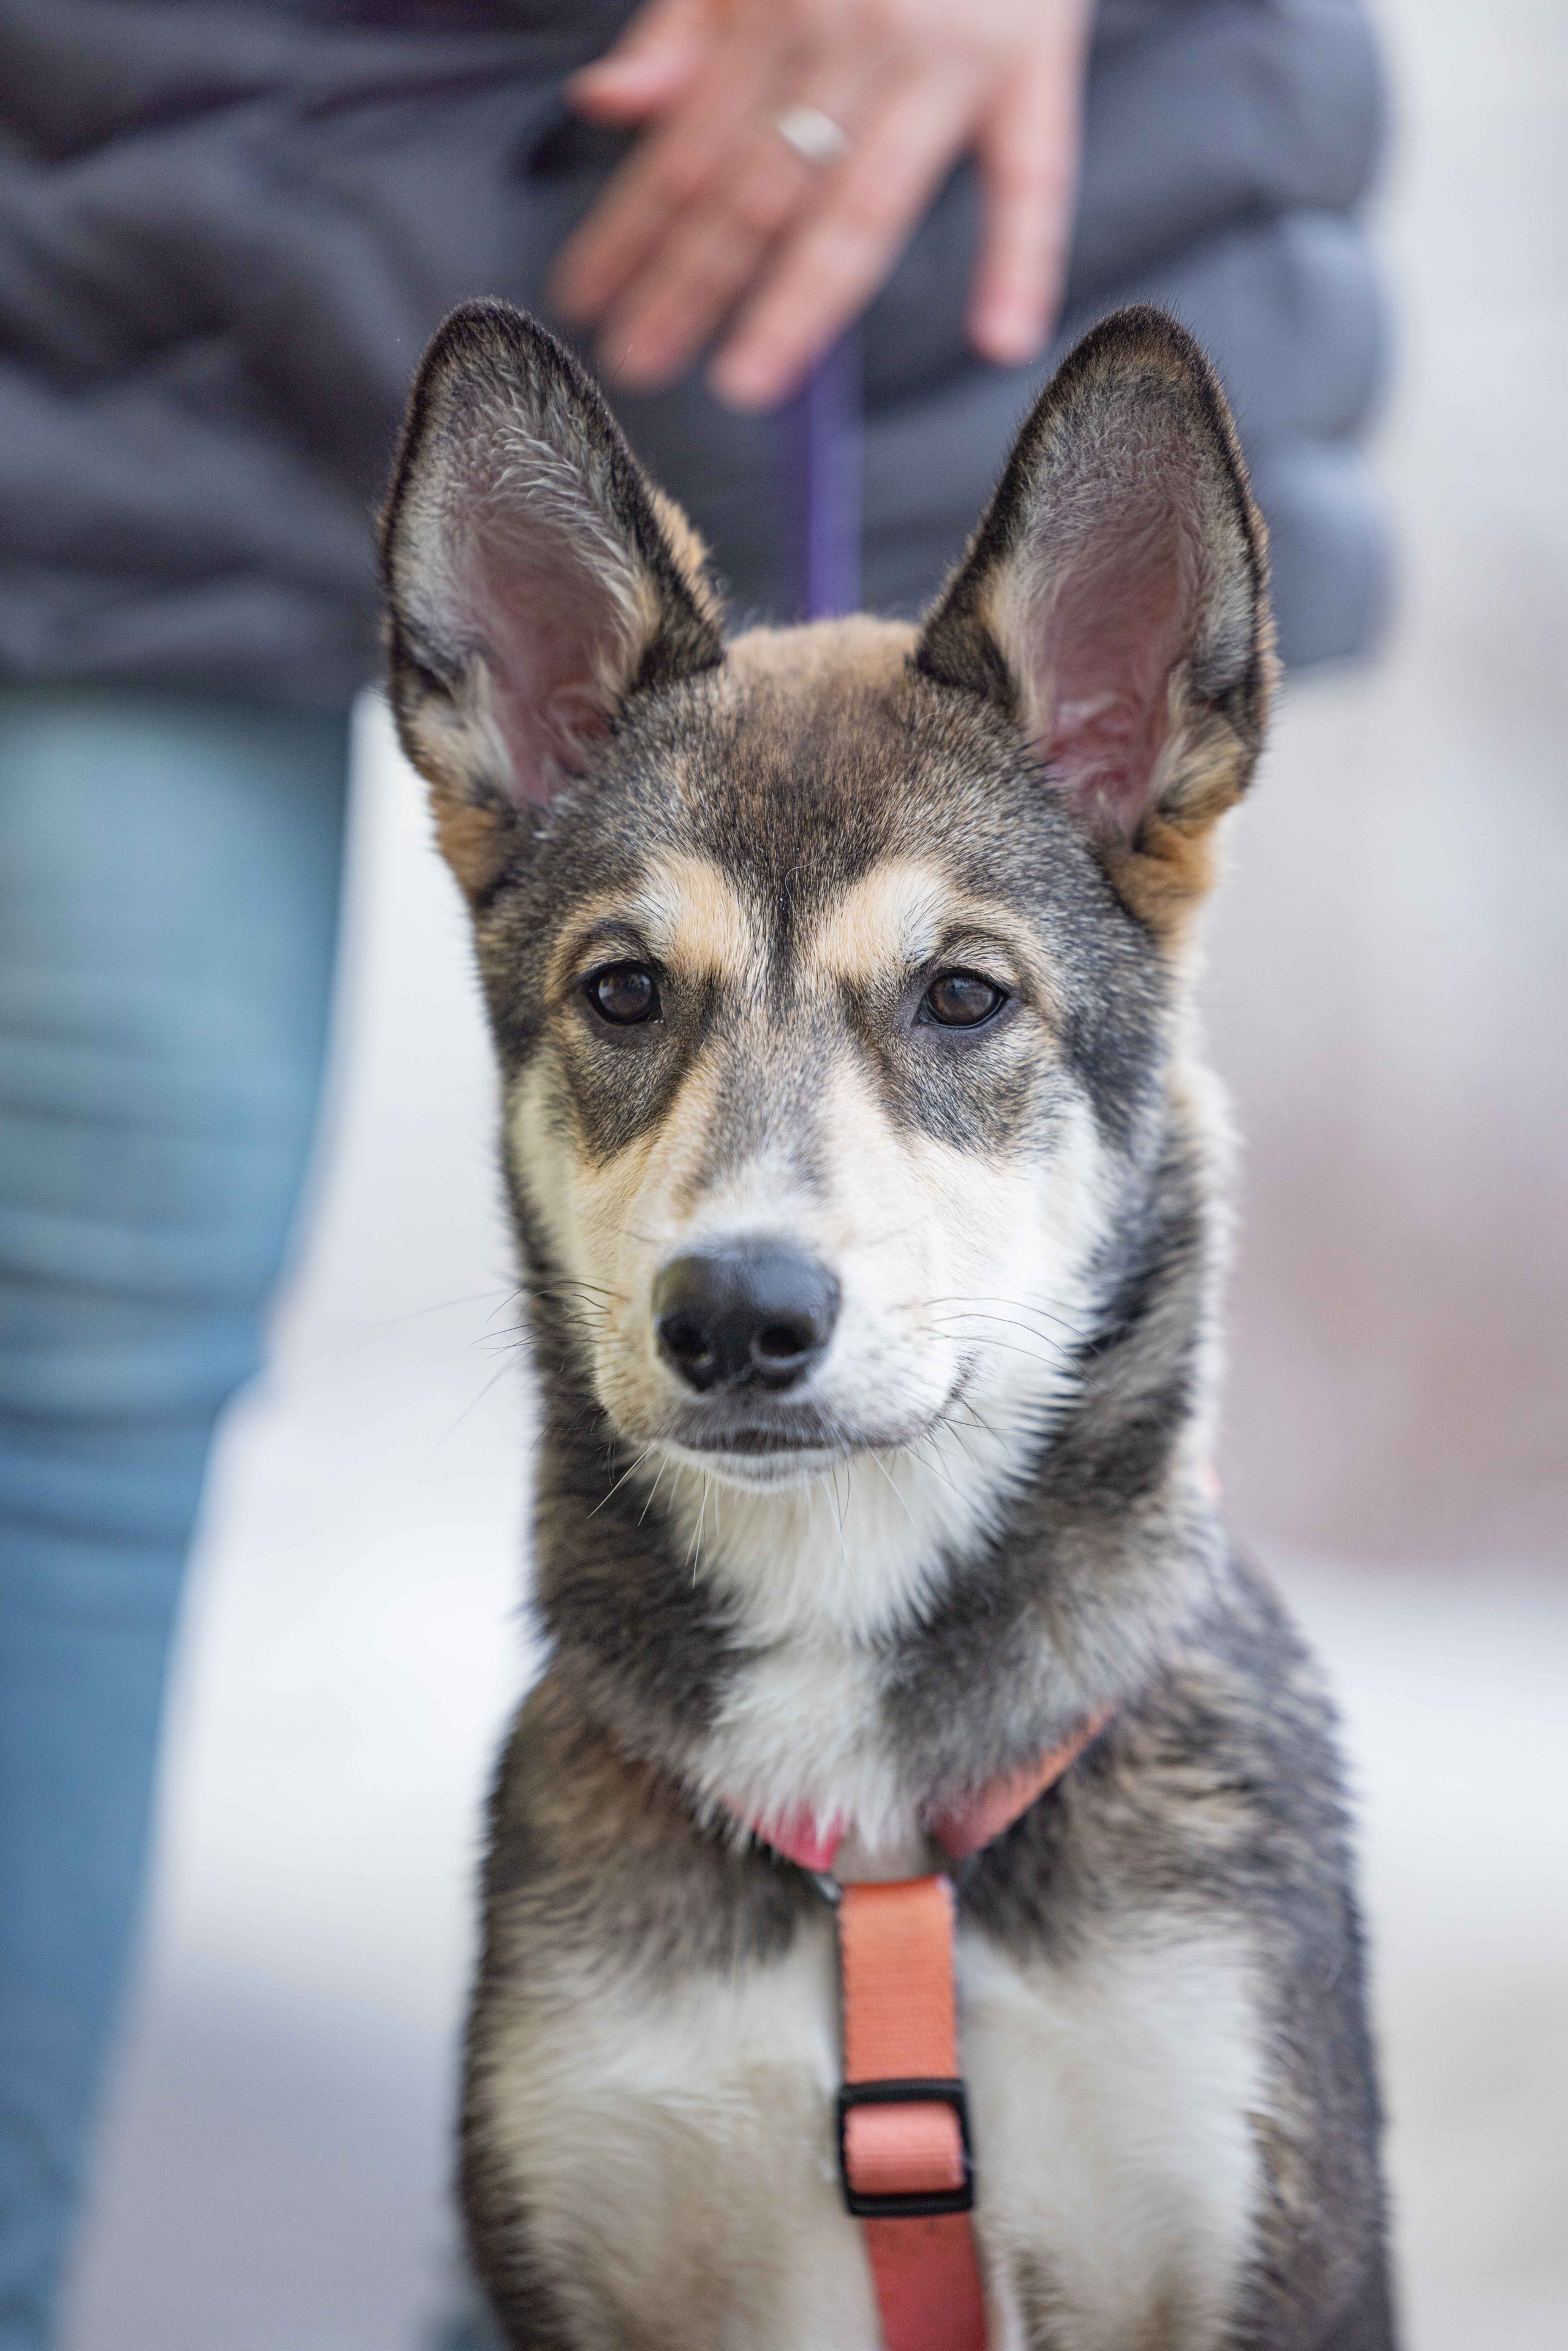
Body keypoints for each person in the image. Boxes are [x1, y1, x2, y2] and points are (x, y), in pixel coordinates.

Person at [0, 1, 1386, 2341]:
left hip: (984, 162)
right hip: (166, 195)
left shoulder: (1215, 1831)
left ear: (1137, 759)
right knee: (67, 1339)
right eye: (631, 1006)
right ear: (506, 775)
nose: (759, 1227)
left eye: (952, 1012)